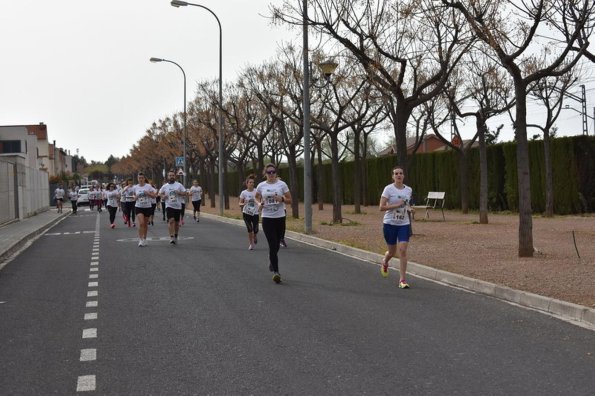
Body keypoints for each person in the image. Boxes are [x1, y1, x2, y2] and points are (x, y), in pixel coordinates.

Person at [255, 163, 291, 283]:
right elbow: (256, 197)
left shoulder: (282, 184)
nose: (271, 174)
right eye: (269, 172)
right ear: (265, 174)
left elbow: (290, 200)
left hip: (280, 217)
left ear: (276, 173)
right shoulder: (261, 185)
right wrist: (259, 204)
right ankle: (276, 272)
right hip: (267, 218)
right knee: (272, 244)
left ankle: (271, 259)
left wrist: (282, 199)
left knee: (276, 244)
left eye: (273, 172)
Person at [379, 166, 413, 289]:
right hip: (389, 223)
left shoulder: (408, 190)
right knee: (392, 252)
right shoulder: (388, 189)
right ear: (393, 176)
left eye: (401, 173)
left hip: (403, 224)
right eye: (396, 173)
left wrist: (409, 209)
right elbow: (381, 207)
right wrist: (396, 205)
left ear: (403, 176)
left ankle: (402, 280)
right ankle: (385, 261)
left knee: (403, 250)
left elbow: (406, 204)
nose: (399, 175)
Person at [159, 170, 186, 245]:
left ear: (175, 176)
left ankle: (176, 235)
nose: (171, 177)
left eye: (173, 175)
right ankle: (171, 237)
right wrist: (163, 196)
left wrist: (179, 193)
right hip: (169, 205)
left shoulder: (179, 185)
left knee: (177, 223)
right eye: (170, 175)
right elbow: (160, 193)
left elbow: (185, 193)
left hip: (178, 206)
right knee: (171, 220)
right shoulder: (165, 186)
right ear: (168, 177)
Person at [133, 173, 157, 246]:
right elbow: (134, 197)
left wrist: (148, 194)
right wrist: (135, 197)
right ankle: (140, 240)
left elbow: (154, 196)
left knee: (145, 224)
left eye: (142, 178)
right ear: (138, 179)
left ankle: (145, 239)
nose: (141, 179)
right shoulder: (135, 187)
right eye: (139, 178)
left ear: (144, 179)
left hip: (147, 207)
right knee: (141, 223)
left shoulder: (148, 186)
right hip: (138, 207)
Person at [239, 174, 259, 250]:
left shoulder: (257, 191)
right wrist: (243, 203)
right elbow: (239, 203)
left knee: (256, 229)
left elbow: (259, 200)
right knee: (250, 229)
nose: (252, 184)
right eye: (250, 182)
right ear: (247, 184)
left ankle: (255, 235)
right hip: (246, 212)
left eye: (253, 182)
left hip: (255, 212)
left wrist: (259, 205)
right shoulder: (243, 193)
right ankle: (251, 244)